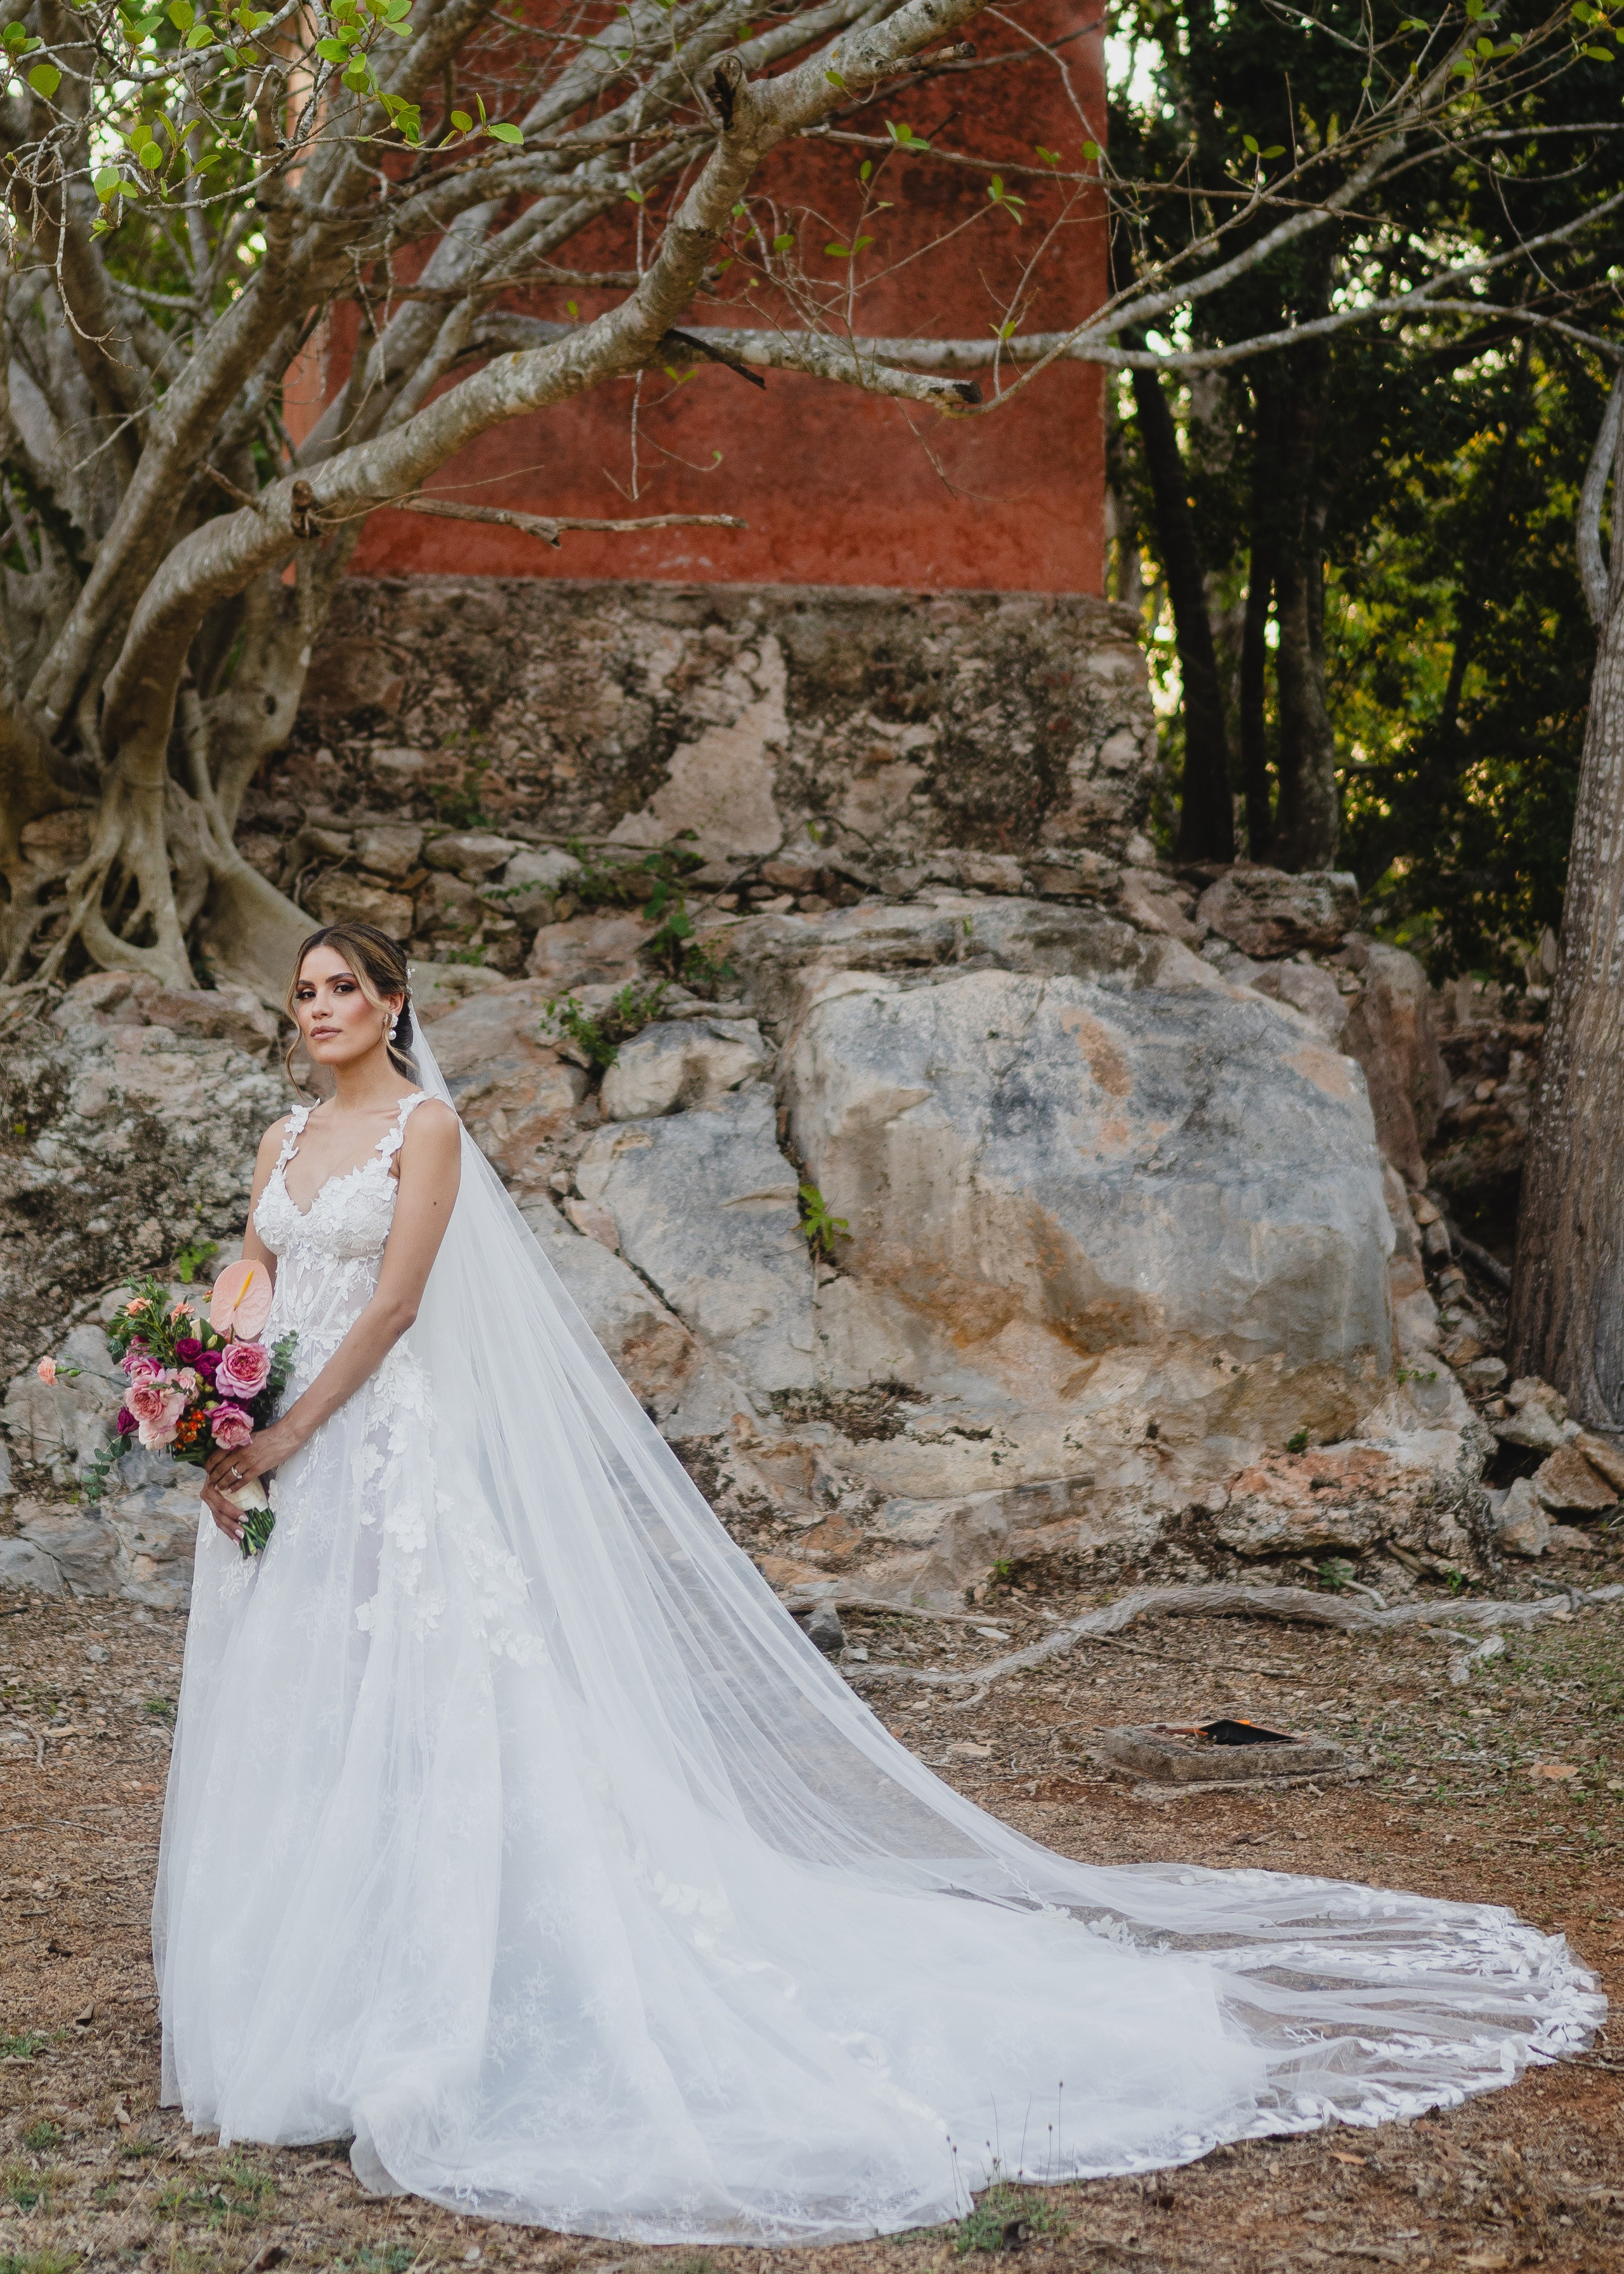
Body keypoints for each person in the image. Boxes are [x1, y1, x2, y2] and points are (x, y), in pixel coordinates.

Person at [154, 921, 1603, 2245]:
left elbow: (397, 1300)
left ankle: (428, 2010)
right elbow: (252, 1281)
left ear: (395, 1005)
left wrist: (289, 1425)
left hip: (379, 1454)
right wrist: (205, 1411)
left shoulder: (424, 1131)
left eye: (347, 986)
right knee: (309, 1715)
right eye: (305, 991)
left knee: (428, 1711)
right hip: (277, 1467)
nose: (323, 1007)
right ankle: (301, 2001)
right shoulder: (284, 1138)